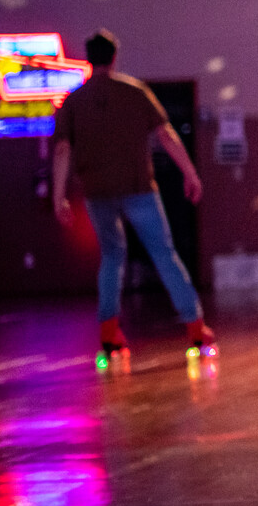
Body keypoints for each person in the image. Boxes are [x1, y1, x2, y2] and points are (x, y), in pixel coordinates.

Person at [52, 30, 215, 364]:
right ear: (114, 57)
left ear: (88, 57)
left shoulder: (74, 101)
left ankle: (109, 333)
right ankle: (196, 328)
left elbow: (62, 150)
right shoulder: (135, 92)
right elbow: (166, 135)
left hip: (98, 192)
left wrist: (59, 196)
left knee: (112, 257)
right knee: (164, 254)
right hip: (139, 188)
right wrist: (190, 173)